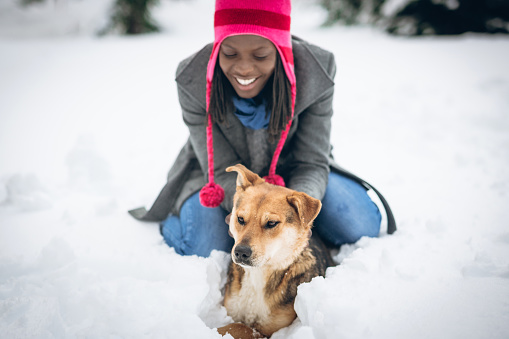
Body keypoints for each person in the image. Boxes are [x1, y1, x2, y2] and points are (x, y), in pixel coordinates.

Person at [129, 0, 396, 257]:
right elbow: (221, 166)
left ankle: (285, 231)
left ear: (280, 50)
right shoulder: (192, 78)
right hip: (216, 175)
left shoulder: (316, 71)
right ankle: (179, 216)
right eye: (230, 53)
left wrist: (289, 210)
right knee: (205, 244)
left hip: (293, 169)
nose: (244, 68)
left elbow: (311, 160)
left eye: (260, 55)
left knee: (359, 225)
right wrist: (248, 207)